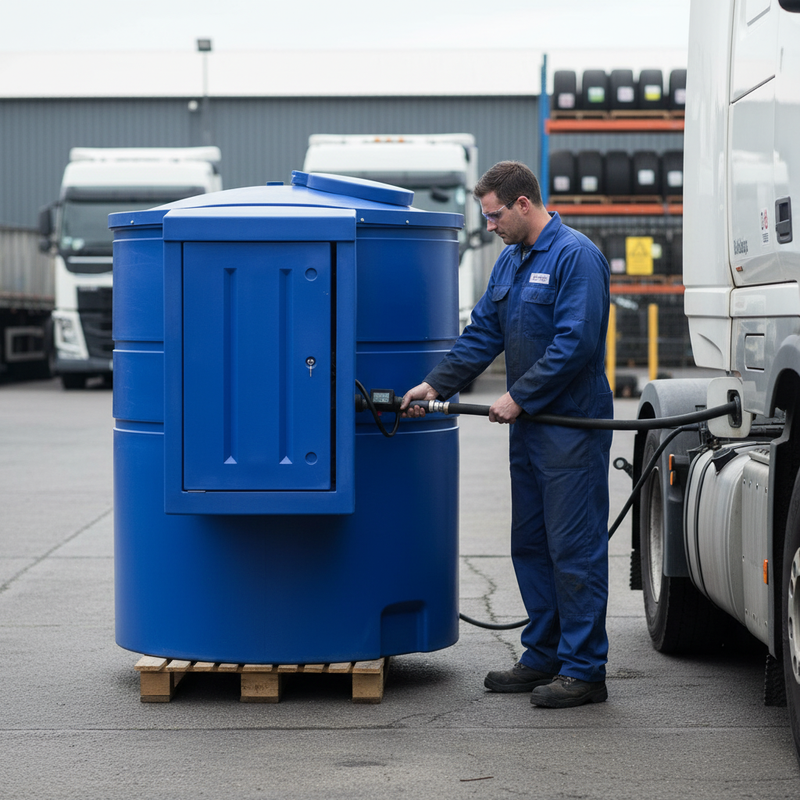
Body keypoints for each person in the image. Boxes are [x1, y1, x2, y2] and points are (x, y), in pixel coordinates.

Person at [401, 161, 613, 708]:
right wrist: (433, 383)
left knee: (574, 548)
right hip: (532, 432)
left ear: (524, 204)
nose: (489, 225)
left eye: (494, 215)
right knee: (532, 544)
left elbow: (576, 342)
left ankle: (585, 670)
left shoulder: (575, 257)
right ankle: (543, 655)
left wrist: (520, 395)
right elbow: (482, 336)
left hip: (570, 427)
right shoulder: (511, 263)